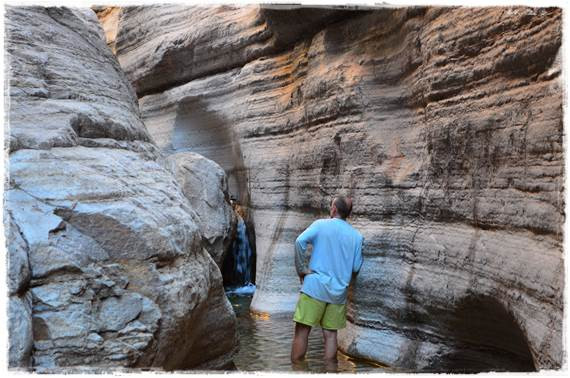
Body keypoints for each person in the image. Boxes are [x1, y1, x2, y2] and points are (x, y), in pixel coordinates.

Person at [290, 195, 364, 365]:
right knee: (331, 335)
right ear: (348, 214)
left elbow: (299, 241)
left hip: (314, 287)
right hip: (338, 293)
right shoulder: (357, 237)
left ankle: (296, 371)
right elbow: (356, 268)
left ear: (334, 209)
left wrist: (301, 269)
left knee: (302, 331)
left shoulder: (321, 225)